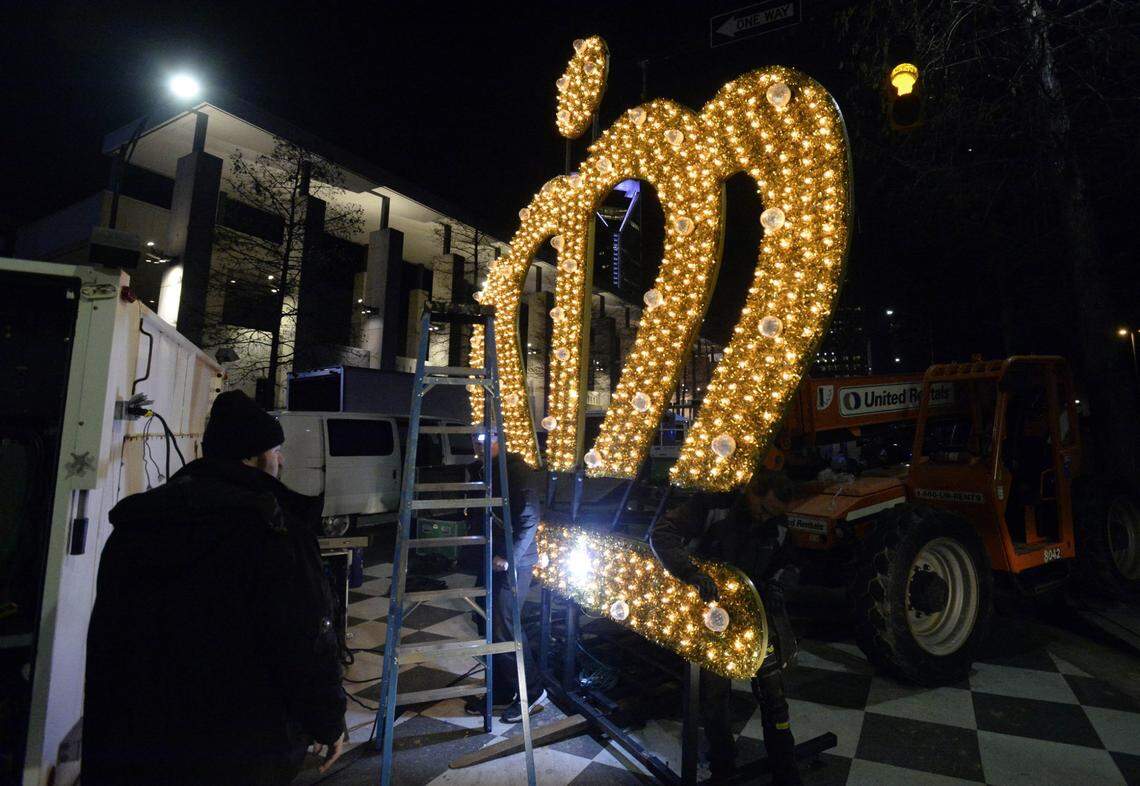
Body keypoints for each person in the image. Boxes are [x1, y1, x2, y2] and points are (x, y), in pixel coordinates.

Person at [83, 391, 347, 785]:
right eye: (276, 450)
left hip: (132, 746)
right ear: (254, 457)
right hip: (239, 751)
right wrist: (327, 720)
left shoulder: (135, 528)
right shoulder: (274, 535)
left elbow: (107, 639)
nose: (282, 460)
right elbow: (304, 642)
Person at [651, 469, 802, 785]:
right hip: (713, 614)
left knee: (774, 693)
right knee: (715, 694)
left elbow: (791, 564)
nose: (765, 518)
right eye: (763, 509)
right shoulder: (713, 504)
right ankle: (723, 762)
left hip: (756, 613)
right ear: (752, 492)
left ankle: (784, 763)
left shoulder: (777, 523)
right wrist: (692, 573)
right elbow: (662, 534)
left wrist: (779, 586)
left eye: (773, 514)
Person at [462, 434, 548, 723]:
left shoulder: (516, 470)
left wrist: (510, 557)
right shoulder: (488, 469)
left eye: (486, 437)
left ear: (501, 440)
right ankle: (501, 689)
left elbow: (529, 518)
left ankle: (533, 693)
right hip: (493, 559)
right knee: (487, 622)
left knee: (504, 628)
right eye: (474, 438)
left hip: (513, 563)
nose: (478, 444)